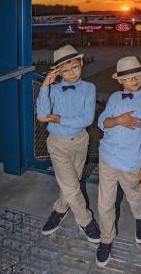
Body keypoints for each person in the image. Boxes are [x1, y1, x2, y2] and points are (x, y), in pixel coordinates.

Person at [96, 56, 141, 267]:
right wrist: (118, 120)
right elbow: (102, 122)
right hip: (107, 158)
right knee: (104, 203)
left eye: (137, 76)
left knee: (135, 196)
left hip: (131, 162)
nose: (133, 80)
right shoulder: (114, 98)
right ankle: (106, 239)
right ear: (120, 81)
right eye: (128, 78)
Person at [36, 45, 100, 243]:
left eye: (74, 67)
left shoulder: (89, 88)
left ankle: (59, 210)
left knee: (70, 183)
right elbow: (42, 116)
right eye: (64, 70)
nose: (71, 73)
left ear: (80, 63)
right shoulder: (52, 90)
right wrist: (45, 85)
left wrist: (60, 119)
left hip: (81, 141)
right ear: (58, 72)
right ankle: (86, 221)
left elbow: (87, 119)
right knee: (72, 187)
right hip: (58, 144)